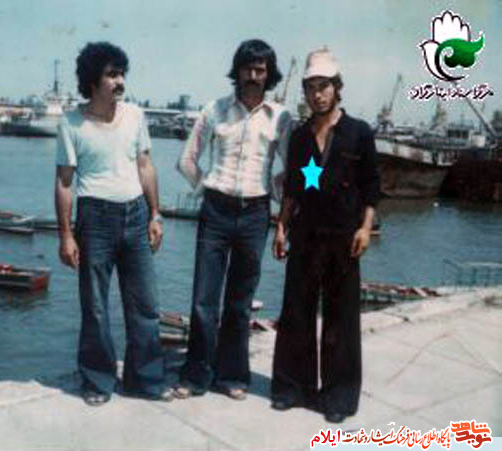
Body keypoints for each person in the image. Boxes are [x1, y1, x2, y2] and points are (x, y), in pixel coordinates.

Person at [55, 41, 172, 406]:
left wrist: (155, 214)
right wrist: (66, 235)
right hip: (95, 219)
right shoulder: (71, 123)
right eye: (111, 74)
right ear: (92, 80)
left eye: (122, 74)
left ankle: (145, 381)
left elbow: (146, 167)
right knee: (95, 306)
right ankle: (97, 381)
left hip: (136, 215)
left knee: (146, 305)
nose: (120, 81)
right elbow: (64, 183)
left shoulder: (135, 116)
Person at [175, 39, 292, 400]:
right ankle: (195, 375)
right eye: (247, 68)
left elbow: (295, 168)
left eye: (260, 70)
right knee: (203, 299)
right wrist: (206, 187)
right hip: (216, 211)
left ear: (269, 75)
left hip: (255, 214)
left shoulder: (281, 118)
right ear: (237, 71)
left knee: (240, 301)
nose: (253, 76)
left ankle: (231, 376)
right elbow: (186, 160)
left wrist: (272, 194)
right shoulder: (214, 110)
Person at [270, 48, 380, 422]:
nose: (317, 95)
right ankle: (291, 388)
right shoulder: (300, 137)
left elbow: (372, 186)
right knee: (296, 312)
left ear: (337, 88)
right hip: (305, 235)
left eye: (324, 86)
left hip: (344, 237)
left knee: (341, 319)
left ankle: (339, 396)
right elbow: (292, 189)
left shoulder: (359, 132)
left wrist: (365, 227)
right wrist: (281, 227)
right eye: (311, 88)